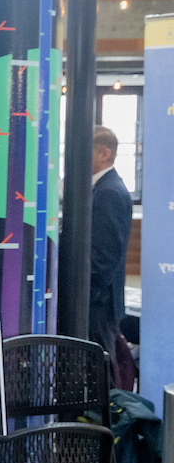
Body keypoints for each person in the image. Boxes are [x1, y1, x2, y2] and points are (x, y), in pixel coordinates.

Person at [89, 125, 134, 388]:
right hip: (97, 302)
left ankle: (103, 427)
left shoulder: (109, 192)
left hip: (98, 305)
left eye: (86, 151)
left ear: (105, 154)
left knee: (100, 375)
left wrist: (80, 295)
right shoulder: (101, 188)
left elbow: (103, 261)